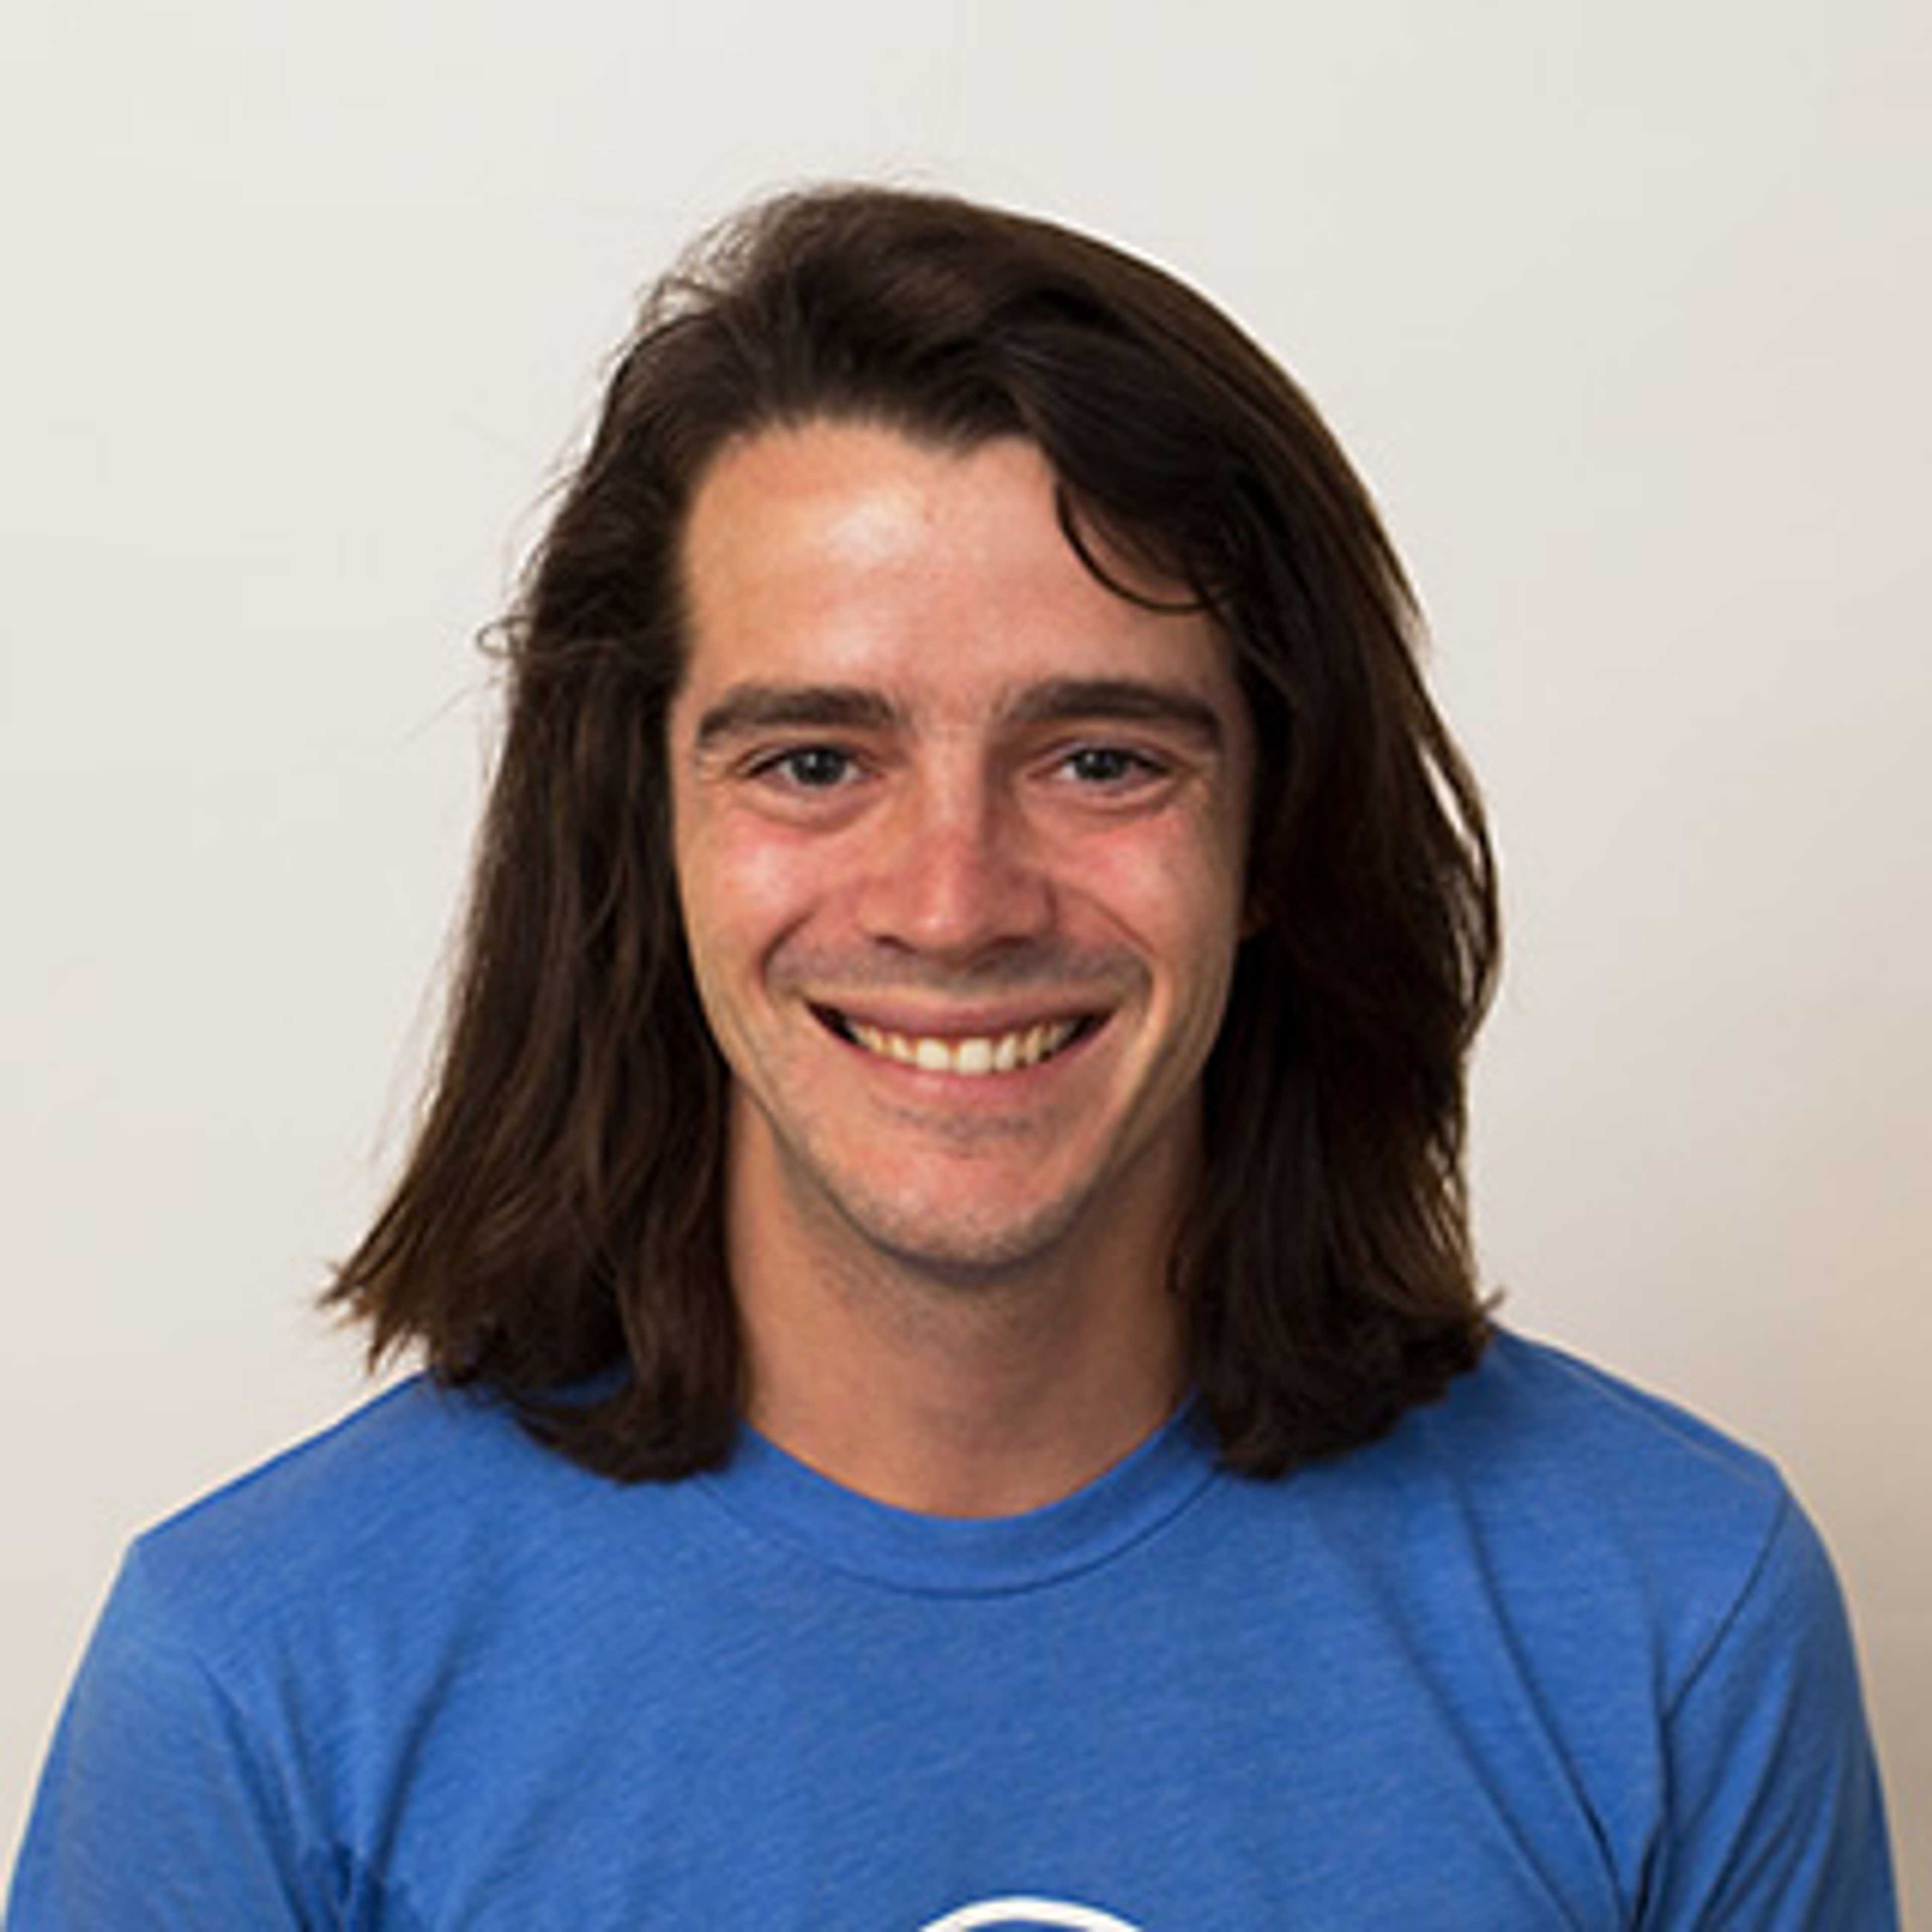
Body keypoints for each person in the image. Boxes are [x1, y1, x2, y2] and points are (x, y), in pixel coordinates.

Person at [9, 186, 1896, 1929]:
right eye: (814, 760)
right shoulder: (261, 1685)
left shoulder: (1672, 1619)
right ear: (643, 835)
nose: (955, 900)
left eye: (1102, 759)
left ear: (1279, 832)